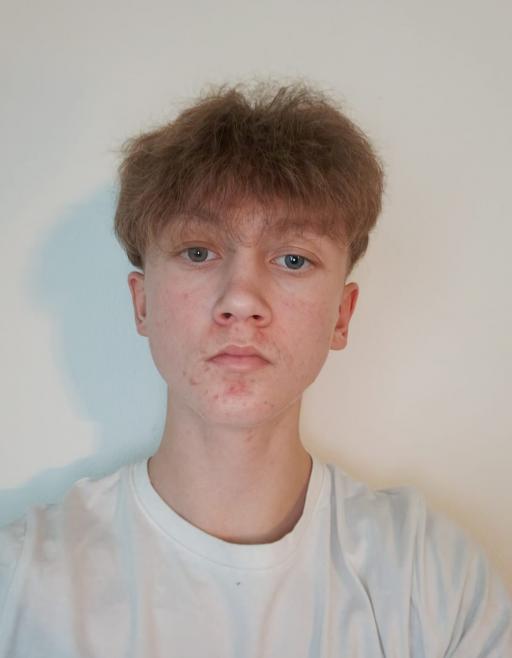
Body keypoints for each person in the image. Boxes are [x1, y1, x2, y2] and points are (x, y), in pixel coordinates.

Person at [0, 81, 510, 657]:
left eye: (292, 259)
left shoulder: (433, 581)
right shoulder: (20, 585)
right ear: (142, 304)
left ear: (341, 316)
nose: (241, 299)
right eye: (199, 252)